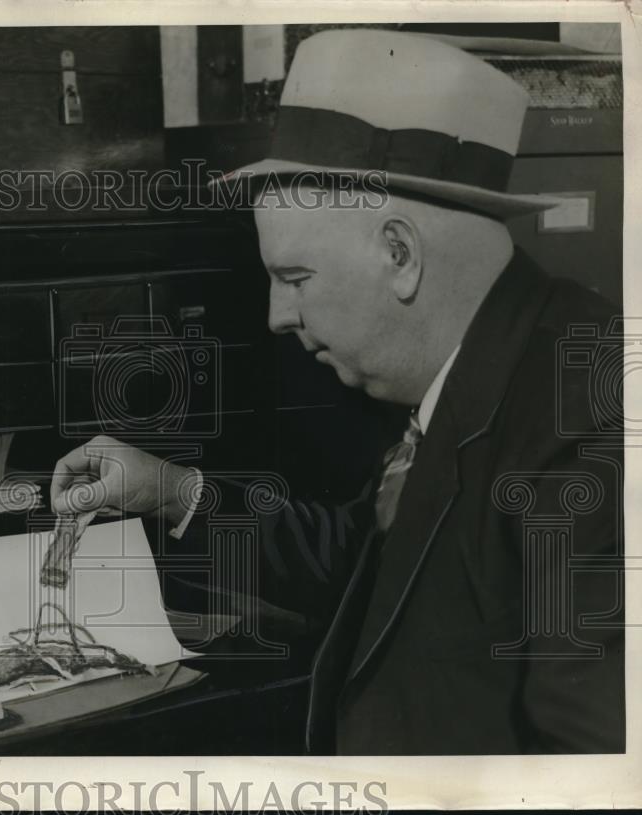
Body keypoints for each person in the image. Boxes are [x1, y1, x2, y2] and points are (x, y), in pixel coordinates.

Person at [50, 29, 624, 754]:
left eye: (295, 278)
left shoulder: (596, 417)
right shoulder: (488, 368)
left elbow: (593, 768)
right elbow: (367, 559)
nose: (276, 316)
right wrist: (172, 490)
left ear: (399, 254)